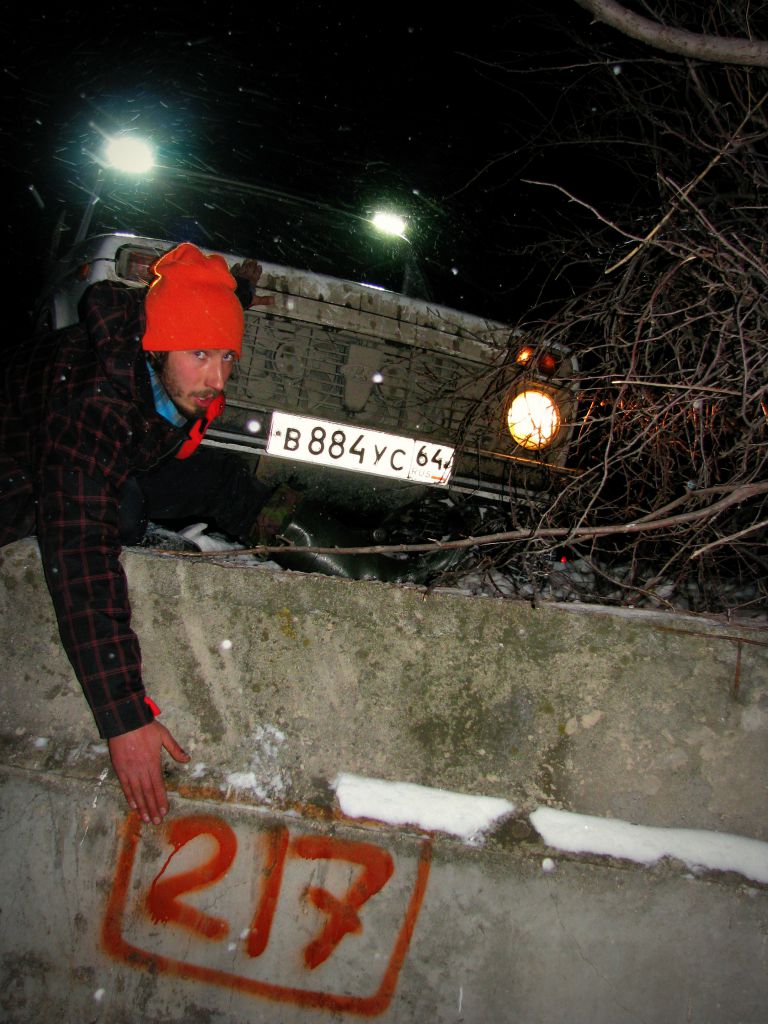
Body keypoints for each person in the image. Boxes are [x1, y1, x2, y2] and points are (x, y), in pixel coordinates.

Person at [0, 242, 273, 826]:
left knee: (224, 479)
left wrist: (238, 294)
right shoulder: (93, 404)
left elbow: (191, 316)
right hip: (16, 485)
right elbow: (80, 556)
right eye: (199, 355)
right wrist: (124, 716)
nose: (216, 378)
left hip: (81, 459)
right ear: (158, 345)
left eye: (226, 356)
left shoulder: (147, 345)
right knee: (114, 518)